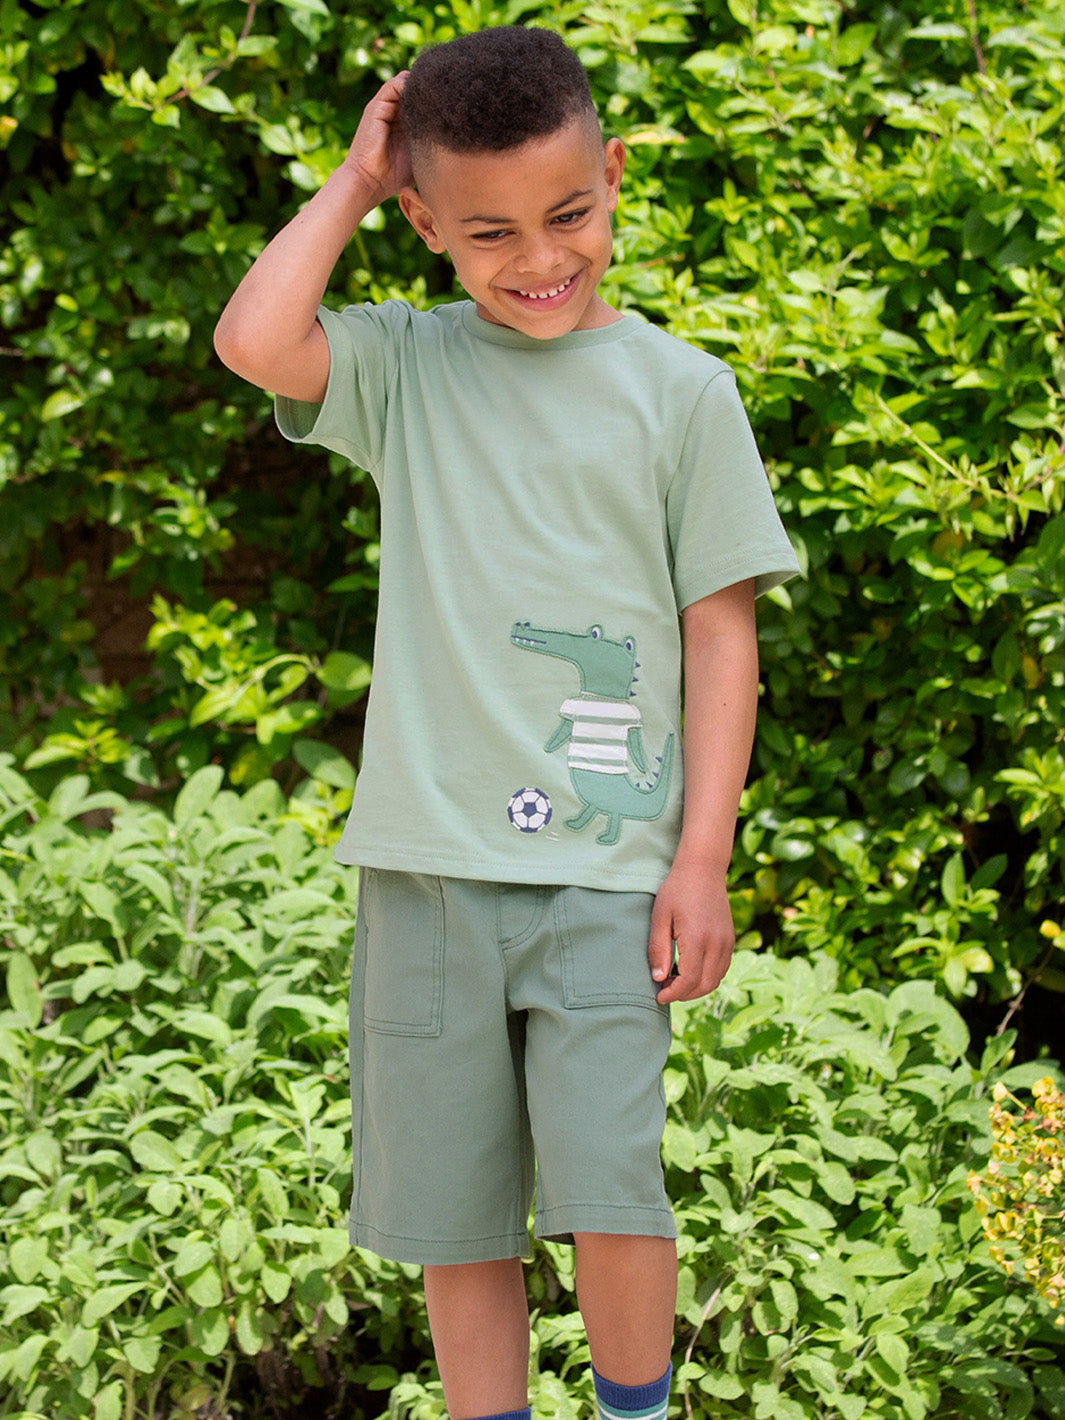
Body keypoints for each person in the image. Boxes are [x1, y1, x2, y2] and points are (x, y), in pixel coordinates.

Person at [214, 25, 799, 1420]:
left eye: (569, 213)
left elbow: (721, 633)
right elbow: (253, 340)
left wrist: (699, 858)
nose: (539, 257)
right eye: (486, 231)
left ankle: (632, 1410)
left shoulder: (680, 394)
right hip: (427, 870)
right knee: (456, 1218)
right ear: (423, 223)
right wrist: (352, 181)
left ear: (613, 176)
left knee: (610, 1185)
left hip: (607, 871)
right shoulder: (407, 369)